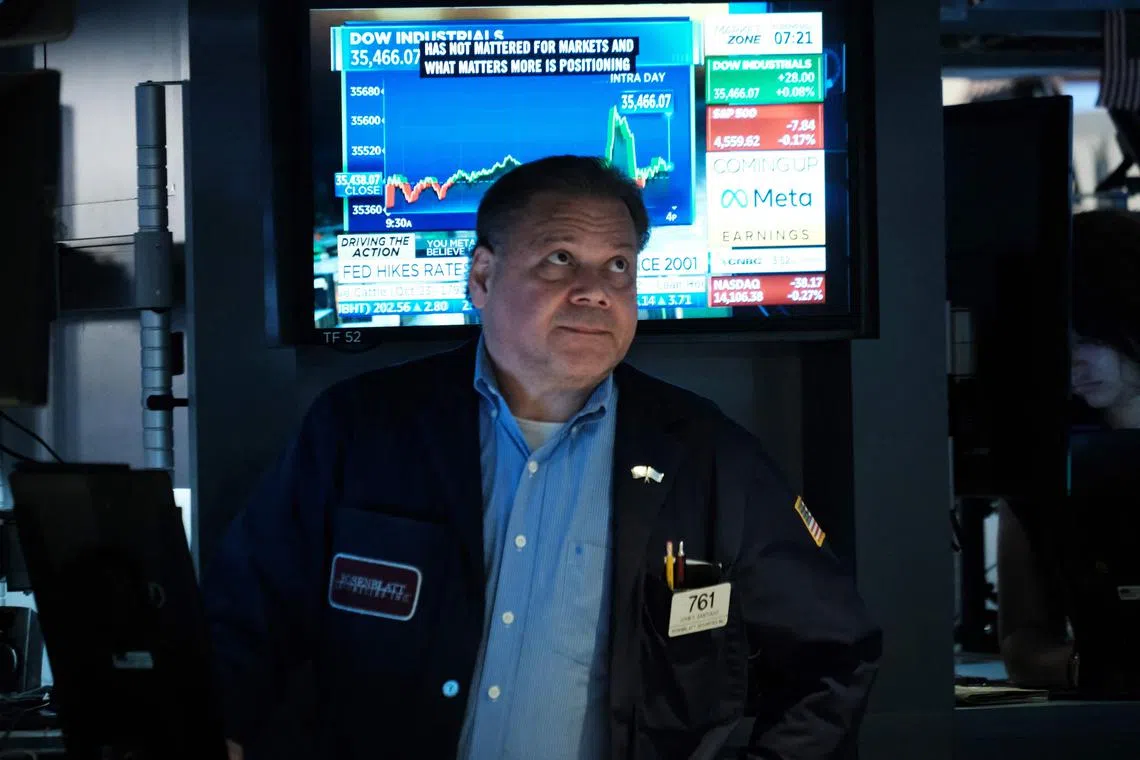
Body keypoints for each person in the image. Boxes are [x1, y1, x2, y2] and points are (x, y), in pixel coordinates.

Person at [203, 155, 882, 760]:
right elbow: (242, 621)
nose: (596, 289)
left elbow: (834, 657)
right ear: (482, 276)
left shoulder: (709, 455)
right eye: (560, 258)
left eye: (618, 264)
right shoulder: (361, 429)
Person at [998, 209, 1140, 689]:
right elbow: (1022, 641)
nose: (1074, 362)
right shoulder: (1043, 465)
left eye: (1093, 336)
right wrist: (1094, 671)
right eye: (1062, 341)